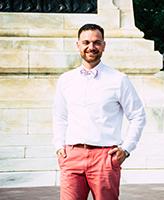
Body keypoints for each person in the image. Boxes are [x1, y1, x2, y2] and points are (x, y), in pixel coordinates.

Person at [52, 23, 146, 200]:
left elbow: (138, 115)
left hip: (105, 158)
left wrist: (126, 149)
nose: (91, 47)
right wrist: (59, 146)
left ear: (103, 45)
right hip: (72, 156)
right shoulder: (65, 80)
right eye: (86, 42)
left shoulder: (119, 80)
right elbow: (60, 116)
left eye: (96, 42)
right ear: (78, 45)